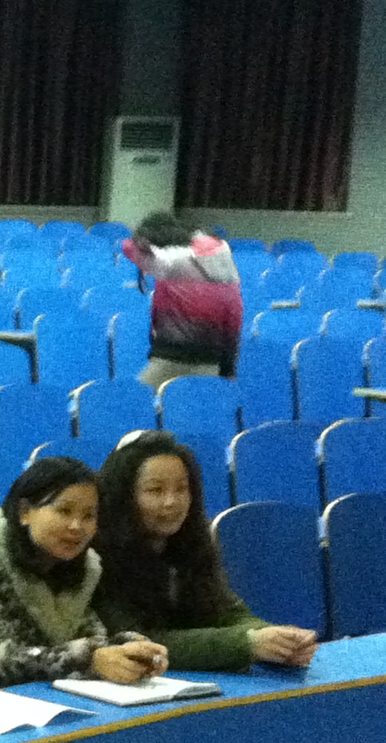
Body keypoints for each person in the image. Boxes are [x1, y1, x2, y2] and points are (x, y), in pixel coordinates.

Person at [0, 456, 171, 688]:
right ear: (24, 512)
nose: (76, 526)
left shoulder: (79, 568)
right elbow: (1, 658)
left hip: (35, 695)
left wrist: (128, 648)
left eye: (88, 516)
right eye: (64, 511)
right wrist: (90, 659)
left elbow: (91, 639)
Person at [94, 431, 318, 671]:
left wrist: (278, 639)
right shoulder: (99, 559)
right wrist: (247, 643)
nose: (171, 502)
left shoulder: (192, 547)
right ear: (123, 497)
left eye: (181, 489)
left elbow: (227, 611)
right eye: (155, 491)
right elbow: (141, 640)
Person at [122, 209, 243, 387]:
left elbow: (129, 247)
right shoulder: (225, 264)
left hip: (171, 361)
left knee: (135, 400)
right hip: (211, 363)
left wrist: (152, 239)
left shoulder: (169, 262)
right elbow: (234, 319)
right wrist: (228, 369)